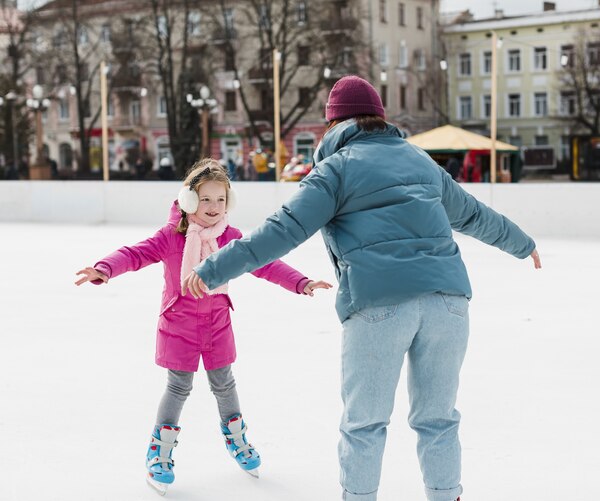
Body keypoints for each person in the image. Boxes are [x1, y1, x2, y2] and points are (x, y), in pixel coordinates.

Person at [182, 76, 542, 501]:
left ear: (334, 123)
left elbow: (281, 231)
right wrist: (524, 244)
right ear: (380, 119)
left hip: (379, 304)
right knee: (438, 419)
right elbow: (474, 214)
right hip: (448, 302)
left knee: (365, 423)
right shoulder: (420, 160)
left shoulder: (334, 169)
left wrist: (213, 267)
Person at [75, 158, 331, 495]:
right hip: (178, 323)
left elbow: (265, 263)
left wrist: (301, 282)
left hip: (217, 323)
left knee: (224, 383)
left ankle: (236, 438)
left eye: (220, 199)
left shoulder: (231, 237)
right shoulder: (171, 236)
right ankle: (160, 451)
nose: (213, 207)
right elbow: (135, 254)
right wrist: (104, 268)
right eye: (205, 199)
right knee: (179, 386)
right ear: (189, 200)